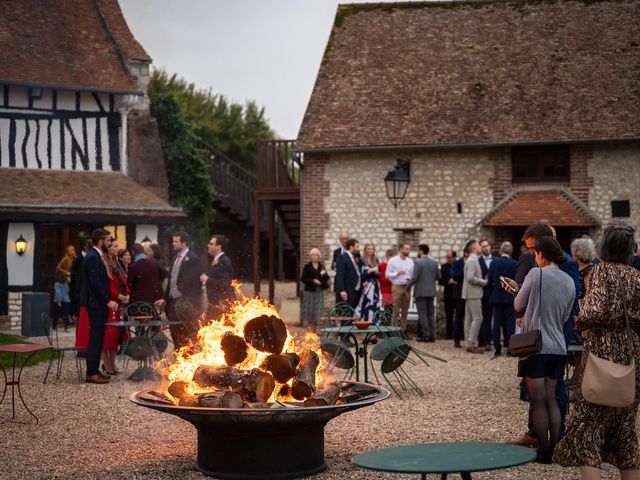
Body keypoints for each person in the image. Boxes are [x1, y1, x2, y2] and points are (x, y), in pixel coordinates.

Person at [555, 221, 640, 479]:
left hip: (603, 353)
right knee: (626, 430)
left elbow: (594, 312)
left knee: (589, 429)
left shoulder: (602, 273)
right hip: (632, 354)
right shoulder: (637, 276)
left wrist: (580, 317)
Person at [509, 222, 580, 448]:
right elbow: (566, 315)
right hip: (558, 346)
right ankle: (555, 447)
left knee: (538, 401)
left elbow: (518, 305)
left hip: (536, 346)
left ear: (540, 254)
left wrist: (520, 294)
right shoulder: (569, 280)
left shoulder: (535, 274)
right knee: (552, 399)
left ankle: (544, 449)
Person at [80, 228, 118, 384]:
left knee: (98, 337)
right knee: (95, 338)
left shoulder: (97, 256)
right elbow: (95, 283)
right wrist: (107, 301)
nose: (110, 243)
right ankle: (92, 372)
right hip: (96, 304)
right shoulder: (93, 257)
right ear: (101, 241)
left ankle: (94, 370)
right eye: (109, 240)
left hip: (98, 304)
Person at [155, 231, 203, 350]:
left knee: (185, 334)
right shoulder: (175, 258)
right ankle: (178, 358)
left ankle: (187, 359)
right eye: (173, 241)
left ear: (184, 243)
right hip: (172, 303)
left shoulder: (193, 259)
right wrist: (165, 298)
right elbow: (171, 281)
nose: (173, 244)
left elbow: (193, 283)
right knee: (175, 333)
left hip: (185, 304)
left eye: (176, 241)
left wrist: (183, 300)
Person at [101, 238, 130, 376]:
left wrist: (126, 294)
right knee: (109, 334)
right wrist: (119, 296)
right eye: (115, 246)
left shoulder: (116, 261)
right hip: (111, 301)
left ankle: (112, 363)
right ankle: (106, 364)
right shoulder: (106, 261)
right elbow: (108, 284)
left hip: (118, 301)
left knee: (115, 335)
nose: (117, 248)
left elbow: (122, 280)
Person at [488, 241, 518, 356]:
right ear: (510, 251)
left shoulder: (494, 264)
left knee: (496, 324)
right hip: (510, 297)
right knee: (510, 323)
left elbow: (490, 281)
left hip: (496, 297)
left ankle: (497, 348)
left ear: (501, 250)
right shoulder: (515, 264)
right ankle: (510, 348)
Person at [407, 244, 441, 342]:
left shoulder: (418, 262)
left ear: (421, 251)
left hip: (421, 292)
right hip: (431, 291)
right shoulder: (434, 262)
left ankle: (425, 335)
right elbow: (439, 276)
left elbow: (414, 278)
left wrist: (407, 287)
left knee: (422, 314)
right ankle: (432, 335)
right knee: (430, 313)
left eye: (418, 250)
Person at [200, 234, 236, 318]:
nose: (208, 245)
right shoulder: (217, 260)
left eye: (211, 244)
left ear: (219, 247)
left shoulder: (224, 261)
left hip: (222, 305)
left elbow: (224, 283)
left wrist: (207, 279)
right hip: (215, 305)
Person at [462, 240, 487, 353]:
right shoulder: (472, 260)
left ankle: (469, 342)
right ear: (473, 248)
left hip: (470, 293)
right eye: (478, 245)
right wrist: (484, 281)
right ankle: (472, 343)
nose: (480, 247)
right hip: (473, 293)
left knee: (469, 319)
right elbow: (470, 278)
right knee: (478, 318)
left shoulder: (471, 259)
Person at [386, 243, 414, 334]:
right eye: (406, 249)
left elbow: (412, 274)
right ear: (401, 249)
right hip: (396, 286)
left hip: (407, 286)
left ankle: (403, 331)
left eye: (409, 249)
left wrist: (410, 278)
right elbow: (387, 274)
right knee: (395, 310)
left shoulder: (410, 261)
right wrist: (397, 274)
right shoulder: (393, 261)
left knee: (405, 311)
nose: (408, 251)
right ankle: (393, 331)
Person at [300, 248, 329, 331]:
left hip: (319, 291)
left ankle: (316, 328)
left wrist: (323, 278)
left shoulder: (321, 266)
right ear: (310, 256)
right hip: (309, 291)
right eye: (312, 254)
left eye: (316, 254)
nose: (314, 256)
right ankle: (309, 327)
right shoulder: (307, 267)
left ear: (318, 256)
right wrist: (313, 280)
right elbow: (303, 279)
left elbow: (326, 277)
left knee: (317, 309)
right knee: (309, 309)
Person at [478, 239, 497, 350]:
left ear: (490, 246)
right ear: (480, 248)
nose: (485, 248)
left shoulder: (496, 259)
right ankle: (485, 341)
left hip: (495, 292)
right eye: (483, 246)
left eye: (487, 245)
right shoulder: (478, 261)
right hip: (483, 293)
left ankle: (496, 340)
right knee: (485, 318)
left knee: (497, 318)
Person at [334, 238, 362, 309]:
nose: (358, 249)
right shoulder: (342, 257)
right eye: (357, 246)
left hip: (354, 292)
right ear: (351, 247)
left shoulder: (354, 258)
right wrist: (342, 290)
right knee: (346, 316)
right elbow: (340, 275)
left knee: (352, 316)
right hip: (347, 291)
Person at [358, 243, 382, 321]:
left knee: (375, 303)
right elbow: (360, 275)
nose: (370, 250)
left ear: (374, 250)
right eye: (368, 249)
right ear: (365, 250)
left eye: (372, 249)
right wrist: (370, 271)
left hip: (375, 286)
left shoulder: (376, 260)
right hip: (366, 286)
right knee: (367, 303)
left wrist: (376, 273)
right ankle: (365, 322)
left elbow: (380, 275)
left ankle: (375, 323)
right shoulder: (361, 260)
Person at [70, 238, 91, 321]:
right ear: (85, 246)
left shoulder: (90, 257)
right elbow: (73, 275)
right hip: (79, 291)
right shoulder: (78, 259)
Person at [439, 250, 457, 340]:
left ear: (454, 257)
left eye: (449, 257)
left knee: (459, 316)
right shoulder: (444, 267)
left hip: (457, 295)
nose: (448, 259)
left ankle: (458, 335)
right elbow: (440, 281)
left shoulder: (459, 265)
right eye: (447, 257)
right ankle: (449, 335)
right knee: (448, 315)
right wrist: (447, 282)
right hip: (448, 294)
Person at [451, 248, 467, 348]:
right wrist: (464, 269)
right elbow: (455, 276)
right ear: (465, 253)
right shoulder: (458, 263)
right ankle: (457, 340)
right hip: (460, 294)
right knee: (459, 318)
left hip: (470, 294)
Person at [332, 232, 349, 302]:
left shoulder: (352, 251)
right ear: (340, 240)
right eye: (342, 239)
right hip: (339, 282)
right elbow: (332, 267)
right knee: (339, 307)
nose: (344, 240)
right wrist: (333, 265)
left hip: (349, 282)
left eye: (346, 239)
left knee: (349, 307)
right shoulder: (336, 252)